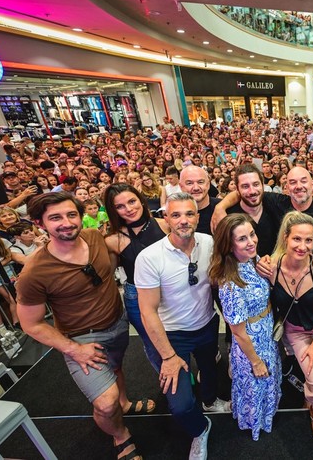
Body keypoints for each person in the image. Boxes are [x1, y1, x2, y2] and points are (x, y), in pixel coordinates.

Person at [17, 192, 149, 460]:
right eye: (55, 218)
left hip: (118, 322)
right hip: (82, 340)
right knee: (105, 402)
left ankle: (124, 403)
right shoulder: (34, 272)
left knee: (116, 368)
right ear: (40, 223)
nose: (66, 223)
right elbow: (31, 324)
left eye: (71, 215)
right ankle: (120, 435)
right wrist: (74, 349)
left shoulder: (93, 236)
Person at [135, 192, 228, 460]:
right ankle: (200, 429)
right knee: (182, 406)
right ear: (166, 218)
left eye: (189, 214)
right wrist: (167, 356)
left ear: (198, 217)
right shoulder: (149, 257)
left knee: (209, 369)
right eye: (176, 215)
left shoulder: (209, 243)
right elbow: (147, 312)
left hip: (207, 325)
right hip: (172, 335)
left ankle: (210, 402)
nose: (183, 220)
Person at [209, 214, 281, 441]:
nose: (251, 241)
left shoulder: (252, 259)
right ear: (229, 246)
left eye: (252, 234)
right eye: (242, 239)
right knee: (256, 382)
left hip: (265, 331)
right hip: (251, 342)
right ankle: (254, 422)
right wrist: (255, 361)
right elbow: (237, 332)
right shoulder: (230, 283)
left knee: (268, 379)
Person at [267, 211, 313, 439]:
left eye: (309, 240)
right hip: (296, 332)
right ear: (285, 237)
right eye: (297, 239)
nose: (303, 246)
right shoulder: (271, 268)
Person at [104, 184, 170, 359]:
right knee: (154, 346)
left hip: (171, 290)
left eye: (132, 201)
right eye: (120, 206)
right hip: (138, 296)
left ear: (141, 200)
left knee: (178, 339)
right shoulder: (113, 240)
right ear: (113, 211)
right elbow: (107, 274)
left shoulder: (165, 225)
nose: (129, 209)